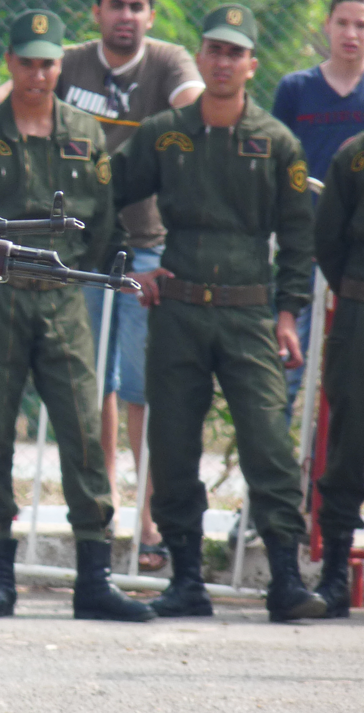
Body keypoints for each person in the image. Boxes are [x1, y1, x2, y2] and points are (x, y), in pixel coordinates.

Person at [0, 0, 204, 572]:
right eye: (27, 63)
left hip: (61, 300)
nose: (37, 75)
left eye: (47, 65)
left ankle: (94, 574)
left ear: (60, 68)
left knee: (82, 428)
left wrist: (109, 269)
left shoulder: (84, 135)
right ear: (9, 62)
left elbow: (101, 223)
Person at [111, 4, 327, 623]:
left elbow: (296, 236)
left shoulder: (275, 141)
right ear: (201, 57)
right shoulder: (164, 132)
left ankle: (286, 581)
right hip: (176, 310)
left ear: (252, 65)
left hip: (248, 315)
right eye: (215, 49)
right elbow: (108, 196)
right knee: (174, 443)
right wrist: (126, 265)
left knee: (266, 443)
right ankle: (186, 580)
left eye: (236, 52)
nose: (224, 61)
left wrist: (289, 314)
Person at [274, 0, 364, 421]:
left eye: (361, 25)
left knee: (349, 376)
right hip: (303, 250)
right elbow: (275, 169)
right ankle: (276, 481)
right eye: (343, 23)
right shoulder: (295, 89)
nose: (351, 33)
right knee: (286, 370)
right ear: (326, 25)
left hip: (355, 261)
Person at [308, 128, 364, 616]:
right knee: (349, 444)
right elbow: (327, 239)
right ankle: (334, 580)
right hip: (361, 312)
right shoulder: (354, 156)